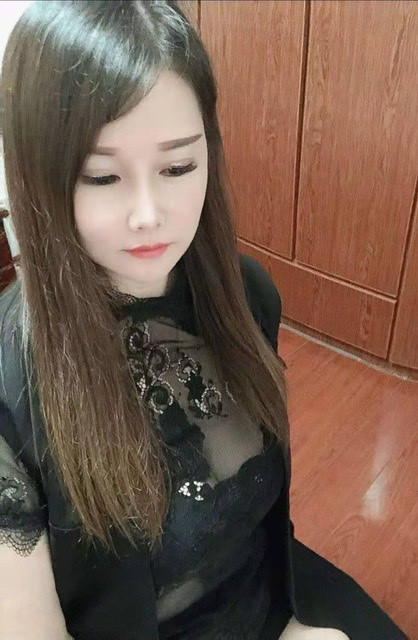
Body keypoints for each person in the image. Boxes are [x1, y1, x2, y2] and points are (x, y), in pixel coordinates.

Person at [0, 2, 409, 639]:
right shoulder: (13, 387)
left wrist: (295, 627)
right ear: (38, 176)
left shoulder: (245, 293)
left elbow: (259, 520)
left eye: (178, 167)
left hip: (270, 597)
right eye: (101, 176)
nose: (148, 214)